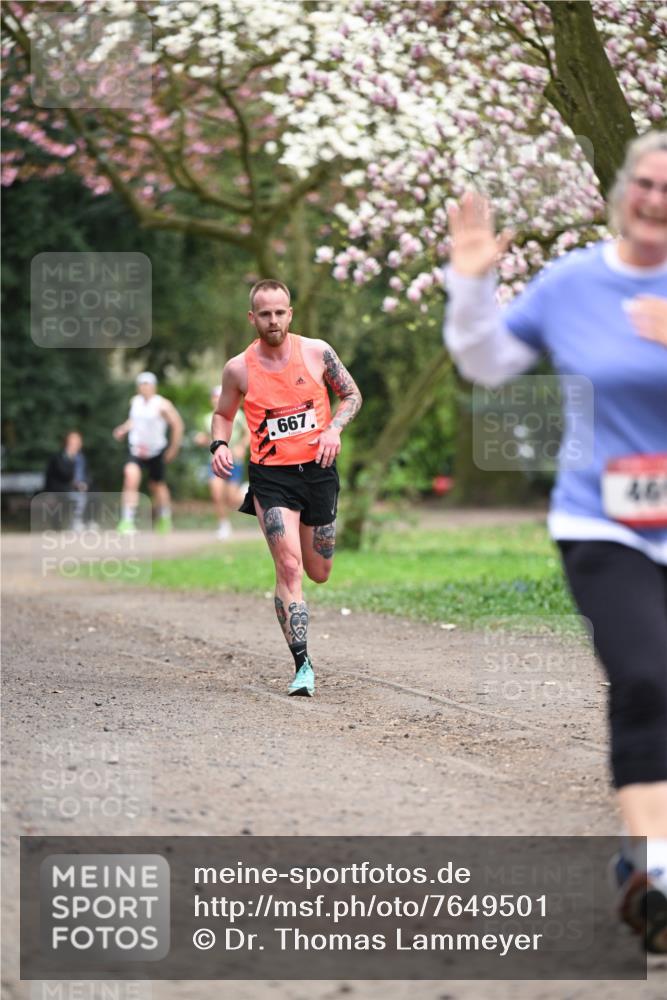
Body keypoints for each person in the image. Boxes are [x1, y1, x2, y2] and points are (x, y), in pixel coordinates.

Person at [443, 130, 667, 952]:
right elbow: (486, 361)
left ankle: (636, 861)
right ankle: (658, 873)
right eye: (644, 183)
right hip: (602, 522)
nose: (654, 200)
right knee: (643, 677)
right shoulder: (572, 282)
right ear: (621, 190)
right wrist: (471, 286)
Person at [211, 279, 362, 697]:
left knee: (319, 571)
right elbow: (223, 414)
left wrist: (334, 428)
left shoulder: (317, 352)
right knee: (289, 567)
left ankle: (303, 660)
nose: (273, 320)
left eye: (280, 312)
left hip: (318, 471)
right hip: (271, 478)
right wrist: (219, 444)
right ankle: (302, 666)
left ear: (290, 314)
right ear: (252, 318)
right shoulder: (239, 368)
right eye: (265, 314)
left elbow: (351, 395)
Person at [113, 371, 184, 534]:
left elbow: (178, 425)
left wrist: (173, 449)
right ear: (138, 387)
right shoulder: (135, 402)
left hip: (156, 451)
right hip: (136, 449)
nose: (145, 388)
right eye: (142, 385)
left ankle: (165, 518)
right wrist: (123, 429)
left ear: (154, 387)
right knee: (130, 477)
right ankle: (127, 521)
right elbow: (134, 420)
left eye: (148, 385)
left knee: (157, 485)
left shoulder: (162, 405)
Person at [195, 385, 250, 540]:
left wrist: (241, 447)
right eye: (215, 397)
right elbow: (210, 438)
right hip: (215, 461)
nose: (217, 400)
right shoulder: (208, 418)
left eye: (220, 397)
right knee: (216, 493)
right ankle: (223, 525)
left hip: (234, 461)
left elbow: (248, 433)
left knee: (232, 498)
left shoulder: (238, 415)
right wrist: (201, 439)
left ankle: (245, 492)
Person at [44, 430, 90, 530]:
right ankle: (74, 523)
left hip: (80, 489)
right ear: (67, 443)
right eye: (73, 442)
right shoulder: (58, 457)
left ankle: (86, 522)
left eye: (78, 442)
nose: (76, 445)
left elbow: (87, 475)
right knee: (77, 497)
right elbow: (61, 474)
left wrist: (85, 484)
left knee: (90, 494)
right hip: (61, 489)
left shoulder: (82, 458)